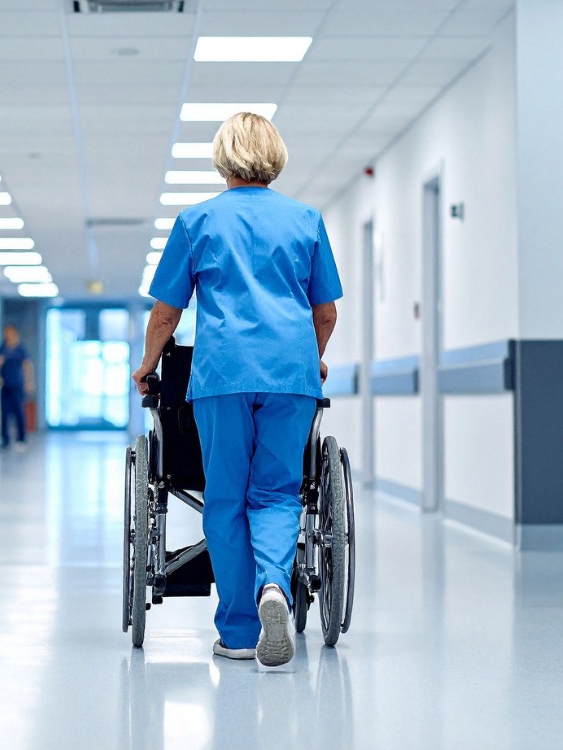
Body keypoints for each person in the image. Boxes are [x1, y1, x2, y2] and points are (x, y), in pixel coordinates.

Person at [131, 112, 341, 667]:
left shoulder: (197, 221)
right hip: (290, 377)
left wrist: (148, 363)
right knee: (276, 492)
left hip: (222, 376)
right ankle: (275, 584)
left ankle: (241, 631)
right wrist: (311, 359)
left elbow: (165, 313)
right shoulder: (306, 220)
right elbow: (326, 312)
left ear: (223, 157)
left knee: (225, 499)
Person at [0, 325, 33, 451]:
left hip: (17, 385)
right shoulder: (3, 348)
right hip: (5, 386)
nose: (6, 335)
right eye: (5, 333)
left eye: (9, 333)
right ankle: (5, 439)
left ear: (15, 333)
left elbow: (27, 366)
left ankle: (21, 438)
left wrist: (29, 382)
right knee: (4, 414)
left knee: (19, 412)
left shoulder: (20, 349)